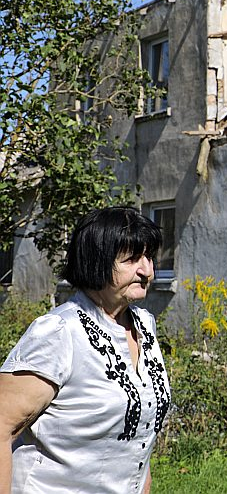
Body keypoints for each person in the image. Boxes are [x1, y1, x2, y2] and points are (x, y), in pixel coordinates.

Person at [0, 207, 172, 494]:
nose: (147, 271)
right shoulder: (59, 332)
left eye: (149, 257)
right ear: (97, 261)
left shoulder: (144, 325)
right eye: (131, 259)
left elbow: (139, 434)